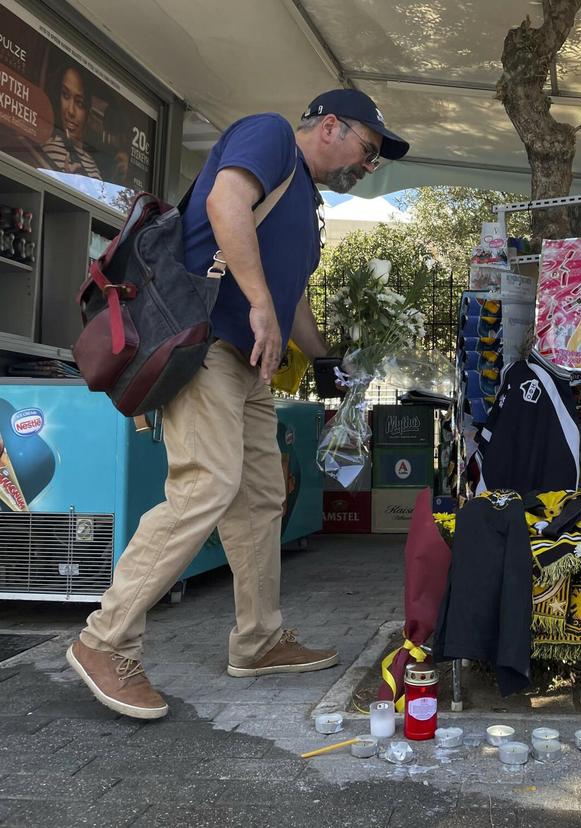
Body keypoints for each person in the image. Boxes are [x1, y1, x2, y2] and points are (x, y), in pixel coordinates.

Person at [67, 89, 410, 720]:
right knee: (207, 486)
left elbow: (290, 297)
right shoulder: (269, 134)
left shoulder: (305, 201)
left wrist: (330, 359)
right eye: (368, 149)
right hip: (206, 348)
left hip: (249, 365)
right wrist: (257, 306)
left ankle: (256, 640)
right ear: (329, 126)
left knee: (259, 499)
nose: (370, 165)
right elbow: (227, 203)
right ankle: (104, 640)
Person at [41, 64, 102, 180]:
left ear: (87, 112)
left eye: (79, 103)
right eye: (65, 95)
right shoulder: (51, 148)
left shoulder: (92, 163)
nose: (70, 110)